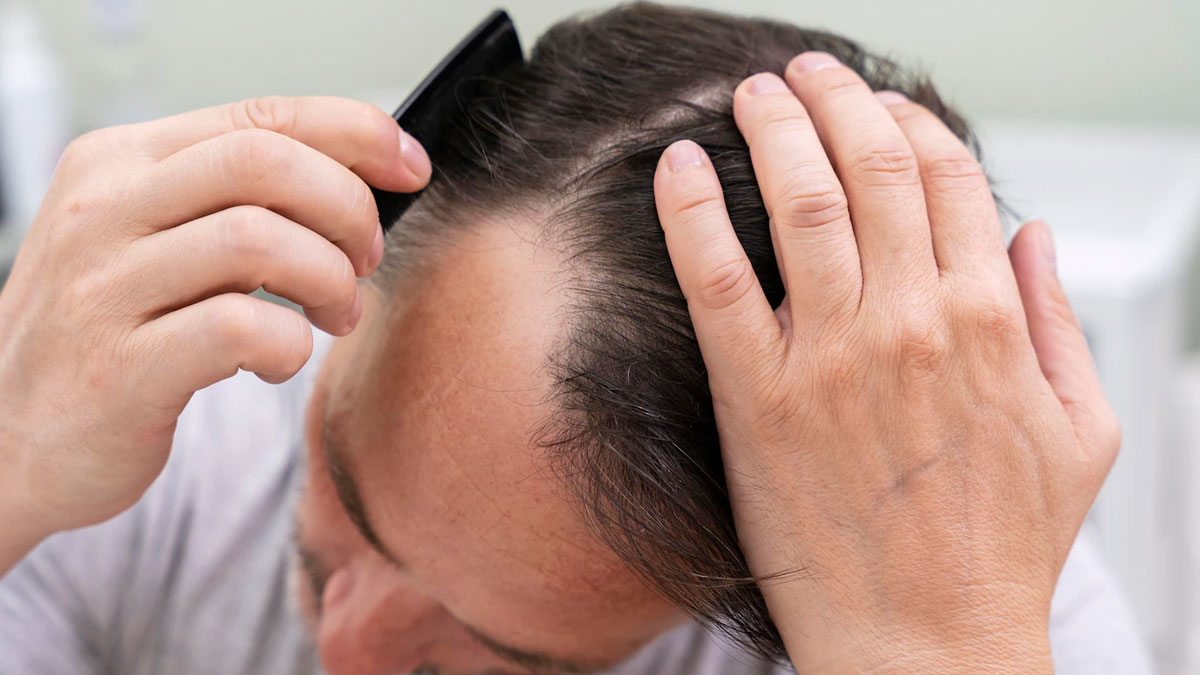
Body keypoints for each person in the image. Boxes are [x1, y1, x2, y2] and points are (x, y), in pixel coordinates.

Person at [0, 4, 1148, 674]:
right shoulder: (145, 443)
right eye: (345, 481)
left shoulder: (967, 605)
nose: (344, 651)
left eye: (509, 660)